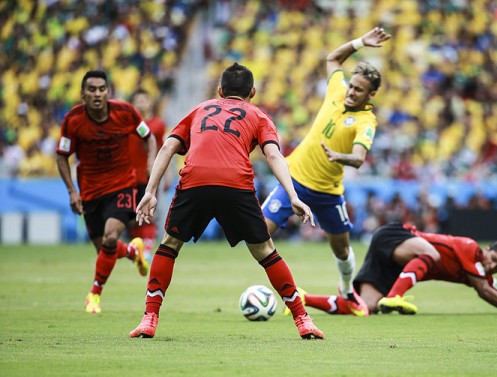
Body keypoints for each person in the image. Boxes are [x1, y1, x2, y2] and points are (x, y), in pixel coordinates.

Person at [129, 62, 324, 340]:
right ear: (252, 92)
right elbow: (273, 156)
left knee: (169, 245)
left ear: (220, 91)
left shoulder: (199, 109)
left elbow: (168, 147)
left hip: (195, 180)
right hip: (236, 183)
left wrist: (150, 190)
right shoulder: (259, 116)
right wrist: (293, 195)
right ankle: (302, 320)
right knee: (266, 251)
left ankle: (149, 318)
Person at [261, 27, 391, 317]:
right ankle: (290, 293)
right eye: (351, 85)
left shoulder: (366, 121)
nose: (351, 91)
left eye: (358, 89)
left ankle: (347, 293)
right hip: (293, 180)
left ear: (371, 94)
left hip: (328, 192)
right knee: (258, 233)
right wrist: (360, 43)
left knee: (342, 251)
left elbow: (358, 158)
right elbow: (333, 59)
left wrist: (339, 156)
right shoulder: (336, 91)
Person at [297, 223, 497, 316]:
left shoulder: (481, 272)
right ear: (488, 249)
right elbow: (486, 292)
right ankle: (396, 297)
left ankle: (303, 298)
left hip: (396, 264)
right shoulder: (469, 247)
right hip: (397, 237)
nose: (493, 265)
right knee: (432, 253)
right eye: (493, 258)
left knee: (366, 307)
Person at [56, 70, 158, 314]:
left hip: (122, 185)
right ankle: (133, 251)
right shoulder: (73, 121)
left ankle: (94, 294)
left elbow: (149, 138)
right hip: (90, 191)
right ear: (83, 95)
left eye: (102, 89)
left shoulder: (125, 112)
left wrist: (151, 163)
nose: (97, 94)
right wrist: (72, 191)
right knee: (105, 249)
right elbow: (62, 156)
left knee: (111, 237)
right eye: (92, 90)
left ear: (108, 92)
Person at [129, 88, 169, 262]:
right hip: (127, 177)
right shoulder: (127, 124)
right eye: (138, 100)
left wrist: (167, 175)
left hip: (149, 176)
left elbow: (164, 150)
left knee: (148, 212)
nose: (141, 103)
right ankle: (137, 247)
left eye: (144, 100)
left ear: (150, 103)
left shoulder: (158, 125)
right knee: (130, 215)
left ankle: (147, 247)